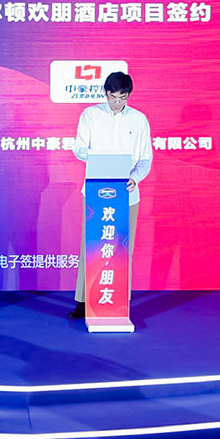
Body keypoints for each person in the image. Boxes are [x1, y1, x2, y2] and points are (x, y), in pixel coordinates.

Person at [69, 71, 152, 319]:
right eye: (112, 97)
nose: (117, 102)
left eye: (122, 98)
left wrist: (135, 178)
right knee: (92, 245)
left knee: (123, 247)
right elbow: (79, 148)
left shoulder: (139, 120)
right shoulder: (91, 115)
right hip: (96, 191)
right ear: (105, 93)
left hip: (127, 192)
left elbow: (145, 158)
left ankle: (119, 300)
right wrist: (100, 158)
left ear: (129, 95)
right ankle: (83, 301)